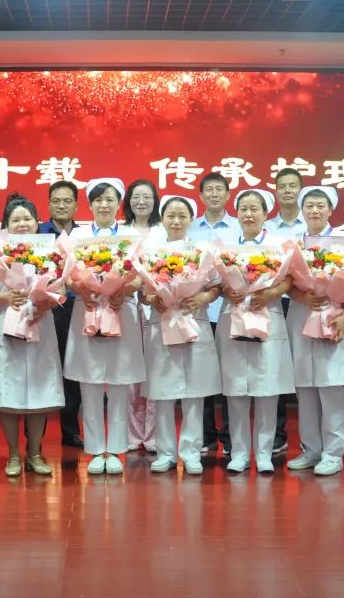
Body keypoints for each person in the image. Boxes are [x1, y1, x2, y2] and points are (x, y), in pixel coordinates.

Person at [0, 194, 65, 476]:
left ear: (37, 222)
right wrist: (5, 297)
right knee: (9, 391)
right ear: (6, 224)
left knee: (40, 391)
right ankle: (14, 454)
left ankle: (36, 453)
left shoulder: (50, 251)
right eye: (15, 219)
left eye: (27, 218)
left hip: (40, 325)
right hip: (5, 326)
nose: (22, 223)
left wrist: (45, 304)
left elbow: (61, 288)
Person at [65, 178, 144, 475]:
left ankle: (117, 449)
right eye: (98, 200)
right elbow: (66, 274)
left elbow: (142, 274)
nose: (104, 205)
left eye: (110, 199)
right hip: (87, 310)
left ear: (119, 203)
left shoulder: (131, 235)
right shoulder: (78, 235)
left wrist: (128, 288)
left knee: (120, 383)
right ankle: (96, 449)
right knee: (90, 383)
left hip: (120, 310)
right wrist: (79, 288)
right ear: (89, 204)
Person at [139, 195, 221, 475]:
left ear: (190, 220)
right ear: (162, 219)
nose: (176, 221)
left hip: (194, 323)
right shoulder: (150, 253)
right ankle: (165, 452)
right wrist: (154, 299)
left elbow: (217, 287)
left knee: (194, 392)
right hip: (161, 324)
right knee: (162, 392)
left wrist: (202, 298)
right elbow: (143, 292)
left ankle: (191, 452)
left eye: (182, 216)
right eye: (170, 216)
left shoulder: (203, 251)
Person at [216, 189, 295, 473]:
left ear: (265, 213)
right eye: (243, 209)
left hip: (268, 317)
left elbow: (290, 279)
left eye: (254, 209)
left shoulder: (278, 245)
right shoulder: (223, 246)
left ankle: (263, 455)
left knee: (267, 389)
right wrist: (226, 289)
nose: (248, 215)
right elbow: (215, 282)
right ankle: (239, 453)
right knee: (235, 389)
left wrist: (271, 293)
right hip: (234, 316)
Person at [286, 186, 344, 477]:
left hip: (333, 317)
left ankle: (333, 454)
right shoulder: (293, 244)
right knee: (305, 389)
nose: (314, 210)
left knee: (331, 387)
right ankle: (311, 450)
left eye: (320, 205)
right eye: (309, 205)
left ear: (331, 209)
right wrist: (303, 297)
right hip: (301, 316)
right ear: (302, 210)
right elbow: (285, 283)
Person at [187, 172, 241, 456]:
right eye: (209, 189)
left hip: (232, 310)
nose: (214, 194)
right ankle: (206, 436)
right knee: (202, 375)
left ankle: (231, 437)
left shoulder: (239, 227)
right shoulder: (190, 228)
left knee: (232, 376)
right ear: (201, 195)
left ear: (228, 195)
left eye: (220, 189)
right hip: (200, 311)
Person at [263, 166, 308, 456]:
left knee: (304, 372)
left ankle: (309, 439)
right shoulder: (267, 229)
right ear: (276, 191)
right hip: (273, 302)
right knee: (275, 368)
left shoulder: (312, 224)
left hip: (305, 303)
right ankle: (277, 435)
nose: (288, 190)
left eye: (293, 185)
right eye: (283, 186)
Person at [37, 181, 83, 448]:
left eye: (67, 201)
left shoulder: (84, 235)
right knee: (41, 366)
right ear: (49, 204)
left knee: (72, 369)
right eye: (56, 201)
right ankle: (36, 436)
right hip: (44, 307)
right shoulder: (38, 234)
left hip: (75, 307)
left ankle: (70, 430)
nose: (61, 205)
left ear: (76, 205)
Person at [124, 179, 163, 453]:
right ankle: (132, 433)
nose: (141, 201)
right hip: (129, 308)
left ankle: (153, 434)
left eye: (147, 197)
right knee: (131, 373)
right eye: (136, 196)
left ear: (155, 201)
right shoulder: (122, 232)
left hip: (158, 307)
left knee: (156, 371)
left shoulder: (163, 231)